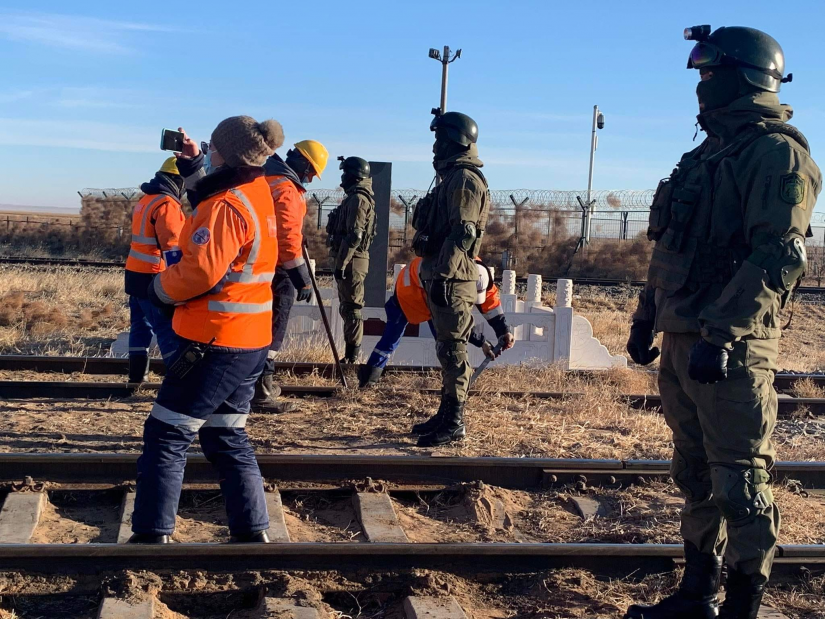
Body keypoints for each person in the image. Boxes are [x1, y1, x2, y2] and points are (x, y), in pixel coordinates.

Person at [625, 26, 820, 619]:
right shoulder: (705, 154)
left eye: (710, 72)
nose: (701, 85)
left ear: (745, 76)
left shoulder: (777, 153)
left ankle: (743, 604)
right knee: (695, 472)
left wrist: (723, 333)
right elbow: (670, 248)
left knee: (739, 478)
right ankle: (696, 592)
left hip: (730, 344)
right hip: (685, 334)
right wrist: (646, 316)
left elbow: (778, 257)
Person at [129, 115, 284, 544]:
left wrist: (158, 290)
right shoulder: (257, 192)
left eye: (213, 148)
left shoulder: (226, 205)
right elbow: (216, 187)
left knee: (166, 434)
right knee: (226, 435)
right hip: (249, 340)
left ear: (225, 154)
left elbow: (199, 273)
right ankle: (253, 535)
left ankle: (150, 538)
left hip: (214, 341)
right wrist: (196, 162)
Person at [411, 111, 500, 447]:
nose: (435, 147)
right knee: (446, 349)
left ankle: (455, 421)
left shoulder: (464, 180)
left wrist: (444, 276)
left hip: (452, 277)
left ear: (455, 141)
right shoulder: (450, 178)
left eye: (440, 140)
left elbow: (462, 233)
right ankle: (446, 414)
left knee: (453, 351)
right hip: (443, 275)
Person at [358, 257, 513, 401]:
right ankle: (368, 381)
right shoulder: (446, 281)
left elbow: (491, 305)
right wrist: (482, 343)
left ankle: (452, 387)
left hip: (431, 291)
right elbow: (454, 325)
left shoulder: (481, 273)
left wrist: (504, 331)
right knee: (394, 340)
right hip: (409, 294)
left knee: (445, 344)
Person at [252, 140, 329, 411]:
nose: (309, 178)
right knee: (273, 326)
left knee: (256, 326)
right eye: (311, 172)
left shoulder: (264, 178)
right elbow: (286, 237)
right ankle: (262, 390)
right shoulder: (286, 188)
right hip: (277, 269)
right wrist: (302, 278)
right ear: (305, 163)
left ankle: (253, 385)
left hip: (257, 266)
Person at [124, 157, 186, 382]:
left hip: (135, 274)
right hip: (154, 275)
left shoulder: (146, 200)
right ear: (177, 181)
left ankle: (136, 378)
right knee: (166, 329)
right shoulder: (167, 205)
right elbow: (172, 246)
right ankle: (177, 382)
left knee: (140, 327)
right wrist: (180, 280)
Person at [328, 156, 376, 363]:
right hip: (350, 259)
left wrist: (342, 263)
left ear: (353, 176)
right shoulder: (355, 197)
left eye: (345, 173)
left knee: (352, 308)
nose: (342, 177)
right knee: (348, 307)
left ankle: (351, 357)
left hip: (353, 260)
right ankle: (350, 355)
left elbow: (355, 235)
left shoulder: (358, 199)